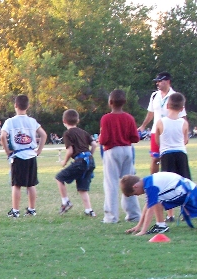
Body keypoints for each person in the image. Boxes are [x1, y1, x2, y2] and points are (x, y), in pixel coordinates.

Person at [121, 172, 197, 236]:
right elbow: (147, 205)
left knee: (157, 203)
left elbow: (150, 208)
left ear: (135, 186)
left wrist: (143, 231)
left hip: (185, 191)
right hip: (189, 188)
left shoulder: (150, 186)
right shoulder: (148, 181)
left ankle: (161, 226)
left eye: (135, 193)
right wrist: (138, 227)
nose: (138, 195)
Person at [98, 89, 142, 224]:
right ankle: (134, 214)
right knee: (130, 183)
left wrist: (100, 138)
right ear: (124, 102)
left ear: (110, 102)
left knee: (111, 183)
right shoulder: (129, 118)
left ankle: (111, 217)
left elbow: (104, 139)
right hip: (127, 150)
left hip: (112, 150)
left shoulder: (106, 118)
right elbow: (135, 138)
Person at [0, 95, 48, 217]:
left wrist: (7, 151)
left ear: (15, 105)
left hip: (18, 156)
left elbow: (2, 136)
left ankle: (15, 210)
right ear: (28, 106)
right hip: (31, 155)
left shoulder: (10, 121)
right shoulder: (32, 121)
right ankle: (32, 209)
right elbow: (43, 135)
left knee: (16, 185)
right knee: (31, 184)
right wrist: (39, 150)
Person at [138, 72, 186, 175]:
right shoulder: (154, 95)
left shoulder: (175, 96)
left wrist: (183, 132)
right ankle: (154, 180)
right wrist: (143, 126)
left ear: (168, 81)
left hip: (169, 131)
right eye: (157, 81)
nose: (157, 83)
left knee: (168, 158)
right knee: (155, 159)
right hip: (156, 131)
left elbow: (182, 116)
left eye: (160, 81)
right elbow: (150, 113)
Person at [154, 92, 189, 221]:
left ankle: (170, 214)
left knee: (168, 184)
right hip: (181, 154)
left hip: (166, 155)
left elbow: (157, 140)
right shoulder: (184, 122)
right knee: (184, 182)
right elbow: (185, 140)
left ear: (167, 105)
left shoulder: (160, 122)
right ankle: (186, 211)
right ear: (182, 108)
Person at [55, 109, 96, 217]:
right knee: (82, 187)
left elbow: (70, 151)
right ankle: (89, 210)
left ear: (64, 121)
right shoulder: (83, 132)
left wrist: (64, 162)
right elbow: (94, 144)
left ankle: (65, 202)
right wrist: (90, 155)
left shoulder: (67, 133)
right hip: (90, 161)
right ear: (78, 120)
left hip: (80, 161)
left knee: (59, 178)